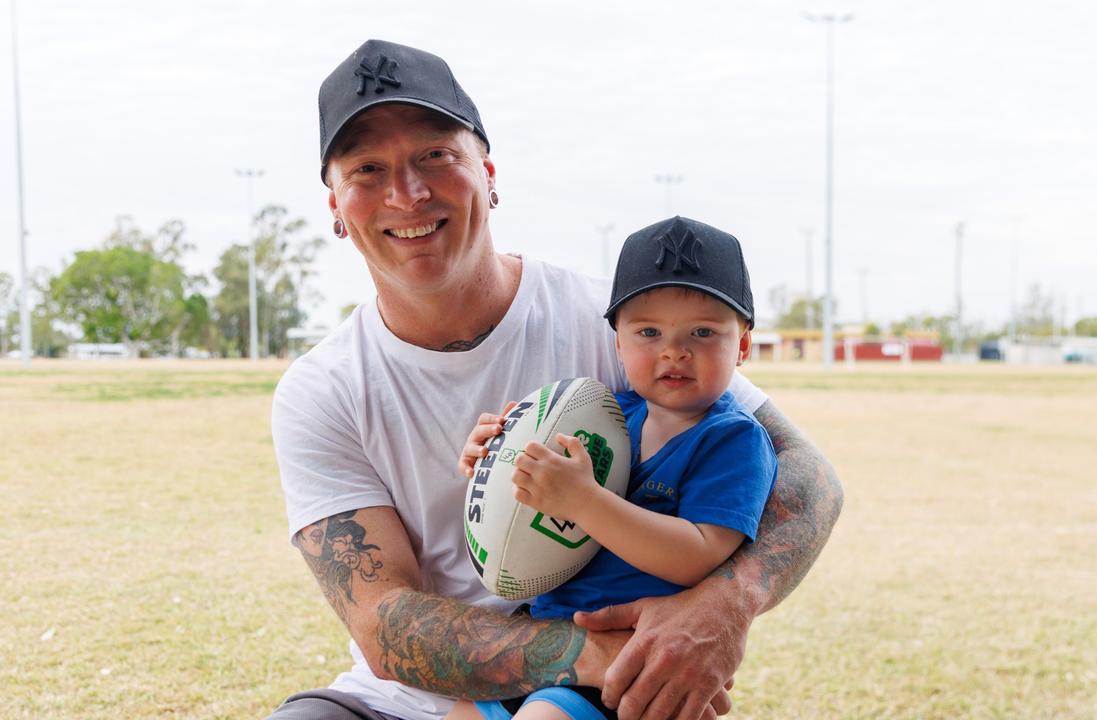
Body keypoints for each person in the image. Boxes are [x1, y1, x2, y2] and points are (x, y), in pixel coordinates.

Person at [268, 39, 844, 720]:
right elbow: (383, 621)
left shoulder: (625, 328)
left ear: (487, 173)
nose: (407, 193)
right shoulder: (322, 389)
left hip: (587, 702)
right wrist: (605, 655)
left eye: (435, 156)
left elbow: (805, 473)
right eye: (367, 170)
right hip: (417, 698)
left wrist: (725, 604)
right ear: (336, 206)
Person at [453, 218, 778, 720]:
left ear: (742, 345)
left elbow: (697, 554)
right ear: (618, 344)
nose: (674, 350)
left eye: (704, 332)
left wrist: (584, 500)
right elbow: (534, 487)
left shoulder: (733, 439)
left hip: (629, 664)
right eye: (649, 331)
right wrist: (494, 457)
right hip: (549, 641)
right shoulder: (604, 414)